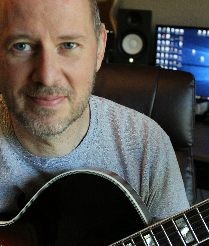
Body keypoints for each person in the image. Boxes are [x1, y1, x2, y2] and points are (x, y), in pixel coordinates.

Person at [0, 0, 189, 224]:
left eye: (68, 45)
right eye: (22, 45)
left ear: (100, 48)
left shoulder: (147, 145)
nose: (47, 76)